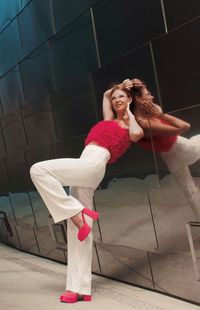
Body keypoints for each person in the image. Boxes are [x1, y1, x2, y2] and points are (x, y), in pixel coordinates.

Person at [30, 85, 143, 303]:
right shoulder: (107, 119)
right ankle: (79, 289)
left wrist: (129, 109)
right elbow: (105, 94)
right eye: (116, 98)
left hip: (94, 164)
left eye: (122, 97)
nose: (117, 99)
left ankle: (75, 212)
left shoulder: (131, 124)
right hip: (84, 164)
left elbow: (137, 135)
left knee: (38, 170)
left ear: (129, 99)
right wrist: (121, 86)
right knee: (79, 232)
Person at [103, 78, 200, 220]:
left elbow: (124, 91)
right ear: (138, 100)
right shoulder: (145, 123)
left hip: (169, 157)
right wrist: (160, 115)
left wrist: (130, 85)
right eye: (148, 94)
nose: (152, 97)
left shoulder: (138, 118)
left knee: (190, 191)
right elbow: (185, 127)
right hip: (182, 148)